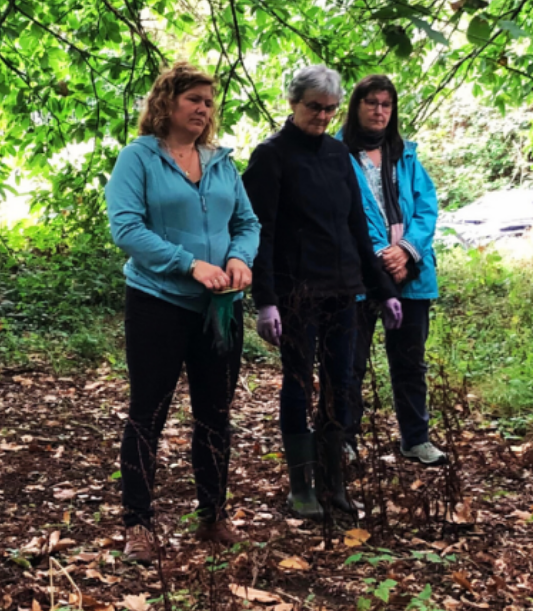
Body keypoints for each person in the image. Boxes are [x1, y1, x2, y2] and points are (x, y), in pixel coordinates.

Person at [105, 61, 260, 562]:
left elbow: (247, 221)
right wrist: (188, 264)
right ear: (166, 102)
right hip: (158, 303)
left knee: (216, 414)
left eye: (209, 101)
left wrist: (239, 257)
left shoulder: (220, 160)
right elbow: (126, 229)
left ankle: (212, 515)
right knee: (147, 413)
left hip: (220, 309)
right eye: (193, 98)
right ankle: (138, 524)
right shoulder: (139, 159)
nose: (202, 109)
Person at [243, 65, 400, 521]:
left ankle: (335, 484)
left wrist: (383, 288)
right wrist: (266, 300)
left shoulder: (336, 155)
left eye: (330, 109)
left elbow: (356, 226)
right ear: (293, 103)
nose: (323, 116)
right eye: (314, 107)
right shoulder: (271, 156)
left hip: (343, 290)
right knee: (297, 384)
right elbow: (260, 233)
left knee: (341, 384)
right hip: (296, 294)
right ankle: (302, 485)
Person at [337, 74, 448, 467]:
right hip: (359, 277)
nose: (380, 111)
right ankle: (343, 440)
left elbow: (426, 207)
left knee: (410, 361)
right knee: (350, 361)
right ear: (356, 106)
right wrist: (380, 256)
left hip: (412, 273)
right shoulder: (336, 153)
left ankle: (416, 438)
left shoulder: (406, 153)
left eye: (386, 104)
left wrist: (406, 251)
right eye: (372, 103)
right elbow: (342, 213)